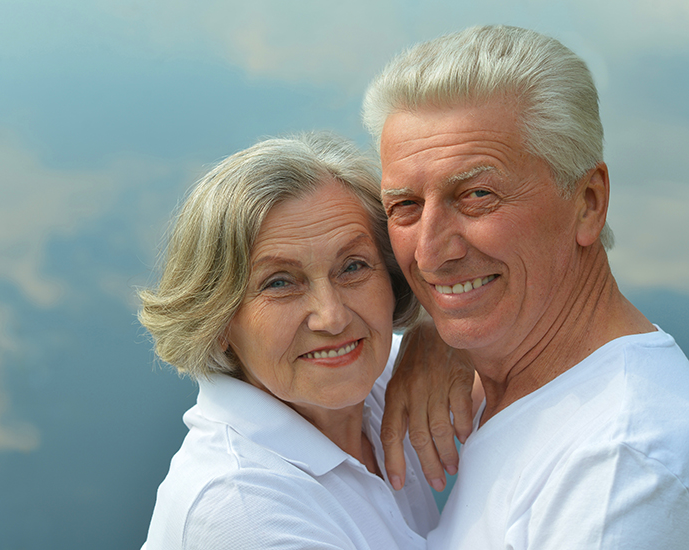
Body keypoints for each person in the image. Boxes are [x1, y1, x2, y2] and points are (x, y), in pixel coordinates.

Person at [363, 25, 689, 549]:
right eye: (405, 205)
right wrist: (437, 332)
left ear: (588, 203)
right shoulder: (495, 371)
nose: (429, 253)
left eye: (477, 195)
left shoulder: (620, 468)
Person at [139, 132, 455, 549]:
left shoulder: (382, 375)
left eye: (353, 266)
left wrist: (442, 334)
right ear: (218, 322)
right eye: (280, 282)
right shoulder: (241, 511)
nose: (332, 317)